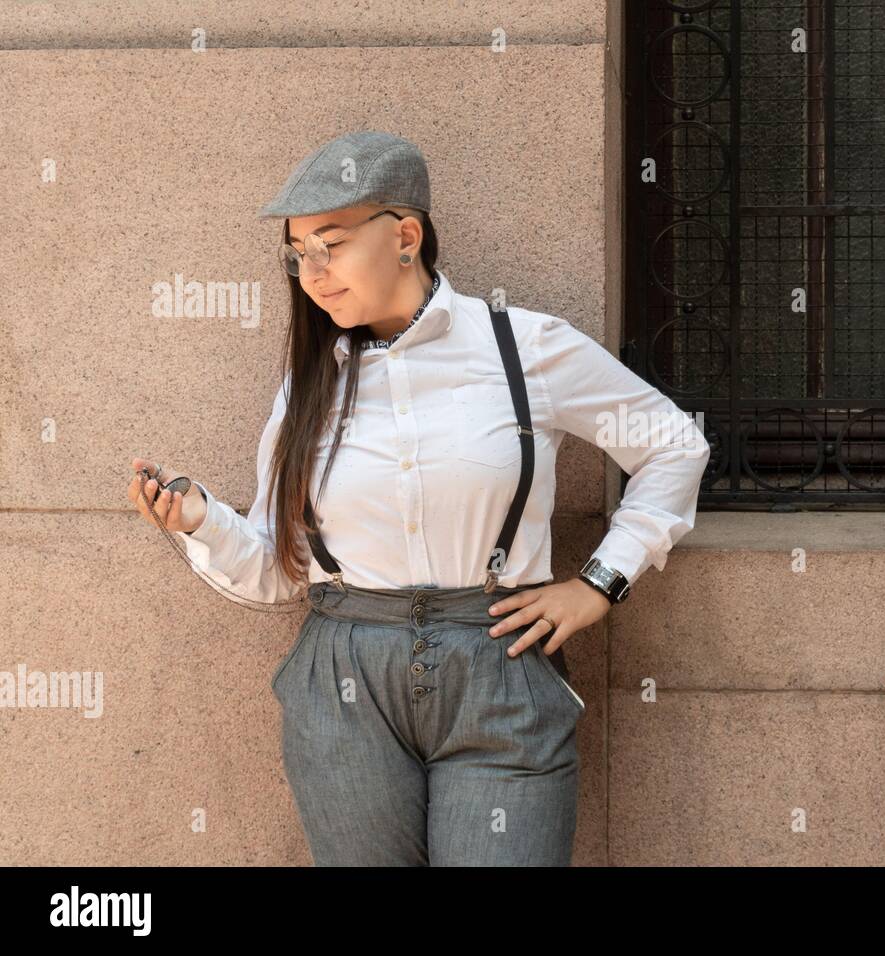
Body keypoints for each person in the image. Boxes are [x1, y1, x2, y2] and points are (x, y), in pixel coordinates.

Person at [125, 130, 710, 866]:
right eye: (298, 252)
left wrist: (600, 583)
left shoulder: (523, 347)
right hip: (343, 685)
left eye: (330, 243)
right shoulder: (310, 385)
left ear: (406, 235)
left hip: (500, 669)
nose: (312, 270)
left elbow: (672, 443)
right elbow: (282, 572)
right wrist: (201, 521)